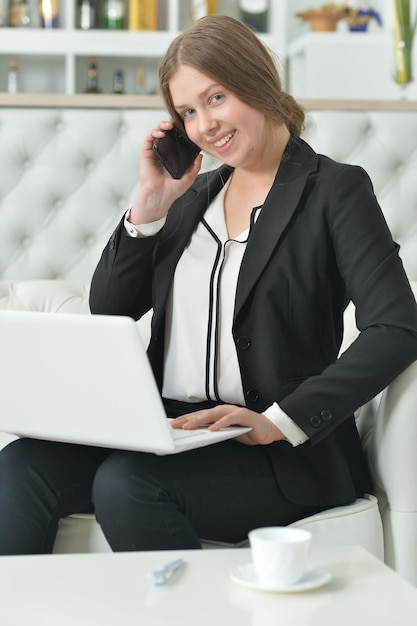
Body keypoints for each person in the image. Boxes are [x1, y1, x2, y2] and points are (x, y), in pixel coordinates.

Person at [1, 15, 417, 555]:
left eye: (216, 98)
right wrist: (150, 206)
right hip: (169, 428)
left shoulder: (334, 190)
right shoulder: (189, 198)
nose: (205, 125)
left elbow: (396, 326)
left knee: (128, 484)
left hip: (272, 448)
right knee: (19, 467)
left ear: (256, 79)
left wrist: (278, 421)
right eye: (188, 112)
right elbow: (109, 308)